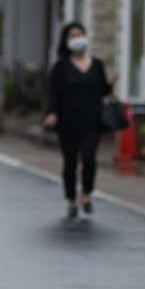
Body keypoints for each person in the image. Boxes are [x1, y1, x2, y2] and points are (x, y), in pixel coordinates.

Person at [42, 21, 114, 219]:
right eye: (72, 36)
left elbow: (102, 92)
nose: (77, 39)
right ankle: (72, 199)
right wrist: (52, 113)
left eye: (79, 35)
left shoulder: (96, 65)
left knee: (89, 158)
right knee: (71, 161)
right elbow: (53, 92)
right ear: (66, 41)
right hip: (67, 120)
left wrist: (110, 85)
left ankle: (87, 194)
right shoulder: (61, 66)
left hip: (91, 119)